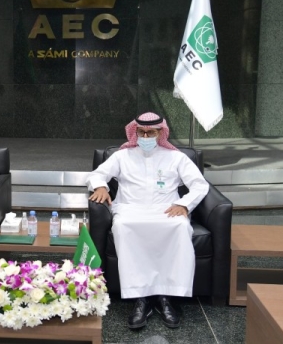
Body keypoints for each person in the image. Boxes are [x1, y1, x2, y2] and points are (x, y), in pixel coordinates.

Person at [86, 112, 209, 329]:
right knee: (122, 227)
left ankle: (166, 298)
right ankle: (140, 299)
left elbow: (200, 185)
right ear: (134, 131)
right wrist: (101, 186)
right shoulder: (122, 156)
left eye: (150, 132)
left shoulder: (176, 157)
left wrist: (184, 204)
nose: (145, 136)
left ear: (161, 132)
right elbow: (96, 174)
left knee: (181, 227)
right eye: (141, 132)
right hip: (130, 211)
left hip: (166, 211)